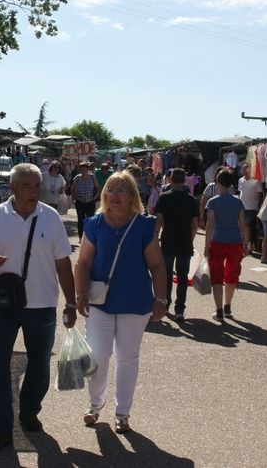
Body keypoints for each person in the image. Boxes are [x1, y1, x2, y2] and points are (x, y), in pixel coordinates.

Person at [0, 163, 77, 454]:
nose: (33, 192)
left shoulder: (50, 217)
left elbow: (63, 263)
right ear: (12, 188)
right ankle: (0, 429)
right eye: (26, 186)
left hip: (41, 305)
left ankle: (29, 410)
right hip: (1, 305)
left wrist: (71, 302)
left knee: (39, 363)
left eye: (36, 186)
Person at [75, 171, 167, 433]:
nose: (114, 195)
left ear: (131, 196)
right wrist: (80, 294)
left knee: (127, 358)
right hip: (99, 303)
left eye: (121, 190)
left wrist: (161, 298)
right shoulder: (94, 224)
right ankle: (95, 404)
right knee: (98, 356)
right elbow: (83, 262)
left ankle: (122, 413)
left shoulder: (143, 225)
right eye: (110, 190)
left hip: (135, 303)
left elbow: (157, 264)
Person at [154, 168, 199, 321]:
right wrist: (191, 240)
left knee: (166, 275)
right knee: (182, 277)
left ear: (170, 180)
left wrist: (155, 239)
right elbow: (195, 225)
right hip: (185, 241)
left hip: (168, 240)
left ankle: (166, 304)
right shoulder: (191, 200)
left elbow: (159, 222)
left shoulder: (163, 198)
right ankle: (180, 309)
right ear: (184, 181)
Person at [204, 168, 246, 321]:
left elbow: (210, 225)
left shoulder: (213, 202)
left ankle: (219, 310)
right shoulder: (238, 201)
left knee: (217, 276)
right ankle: (228, 307)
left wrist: (206, 246)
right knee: (232, 275)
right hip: (235, 242)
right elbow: (243, 224)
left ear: (217, 183)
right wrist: (246, 243)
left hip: (217, 241)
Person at [70, 161, 99, 240]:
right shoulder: (77, 178)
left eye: (85, 169)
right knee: (81, 220)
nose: (83, 171)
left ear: (88, 169)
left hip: (90, 202)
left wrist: (95, 197)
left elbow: (97, 188)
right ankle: (81, 237)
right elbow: (72, 189)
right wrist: (74, 198)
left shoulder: (92, 177)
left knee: (90, 220)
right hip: (80, 202)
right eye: (81, 169)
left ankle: (90, 237)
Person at [238, 163, 263, 252]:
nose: (245, 171)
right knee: (241, 225)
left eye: (247, 169)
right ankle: (242, 243)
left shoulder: (256, 181)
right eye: (244, 170)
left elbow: (260, 195)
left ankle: (247, 244)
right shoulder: (240, 180)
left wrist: (259, 207)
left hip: (252, 208)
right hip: (241, 207)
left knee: (248, 226)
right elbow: (240, 192)